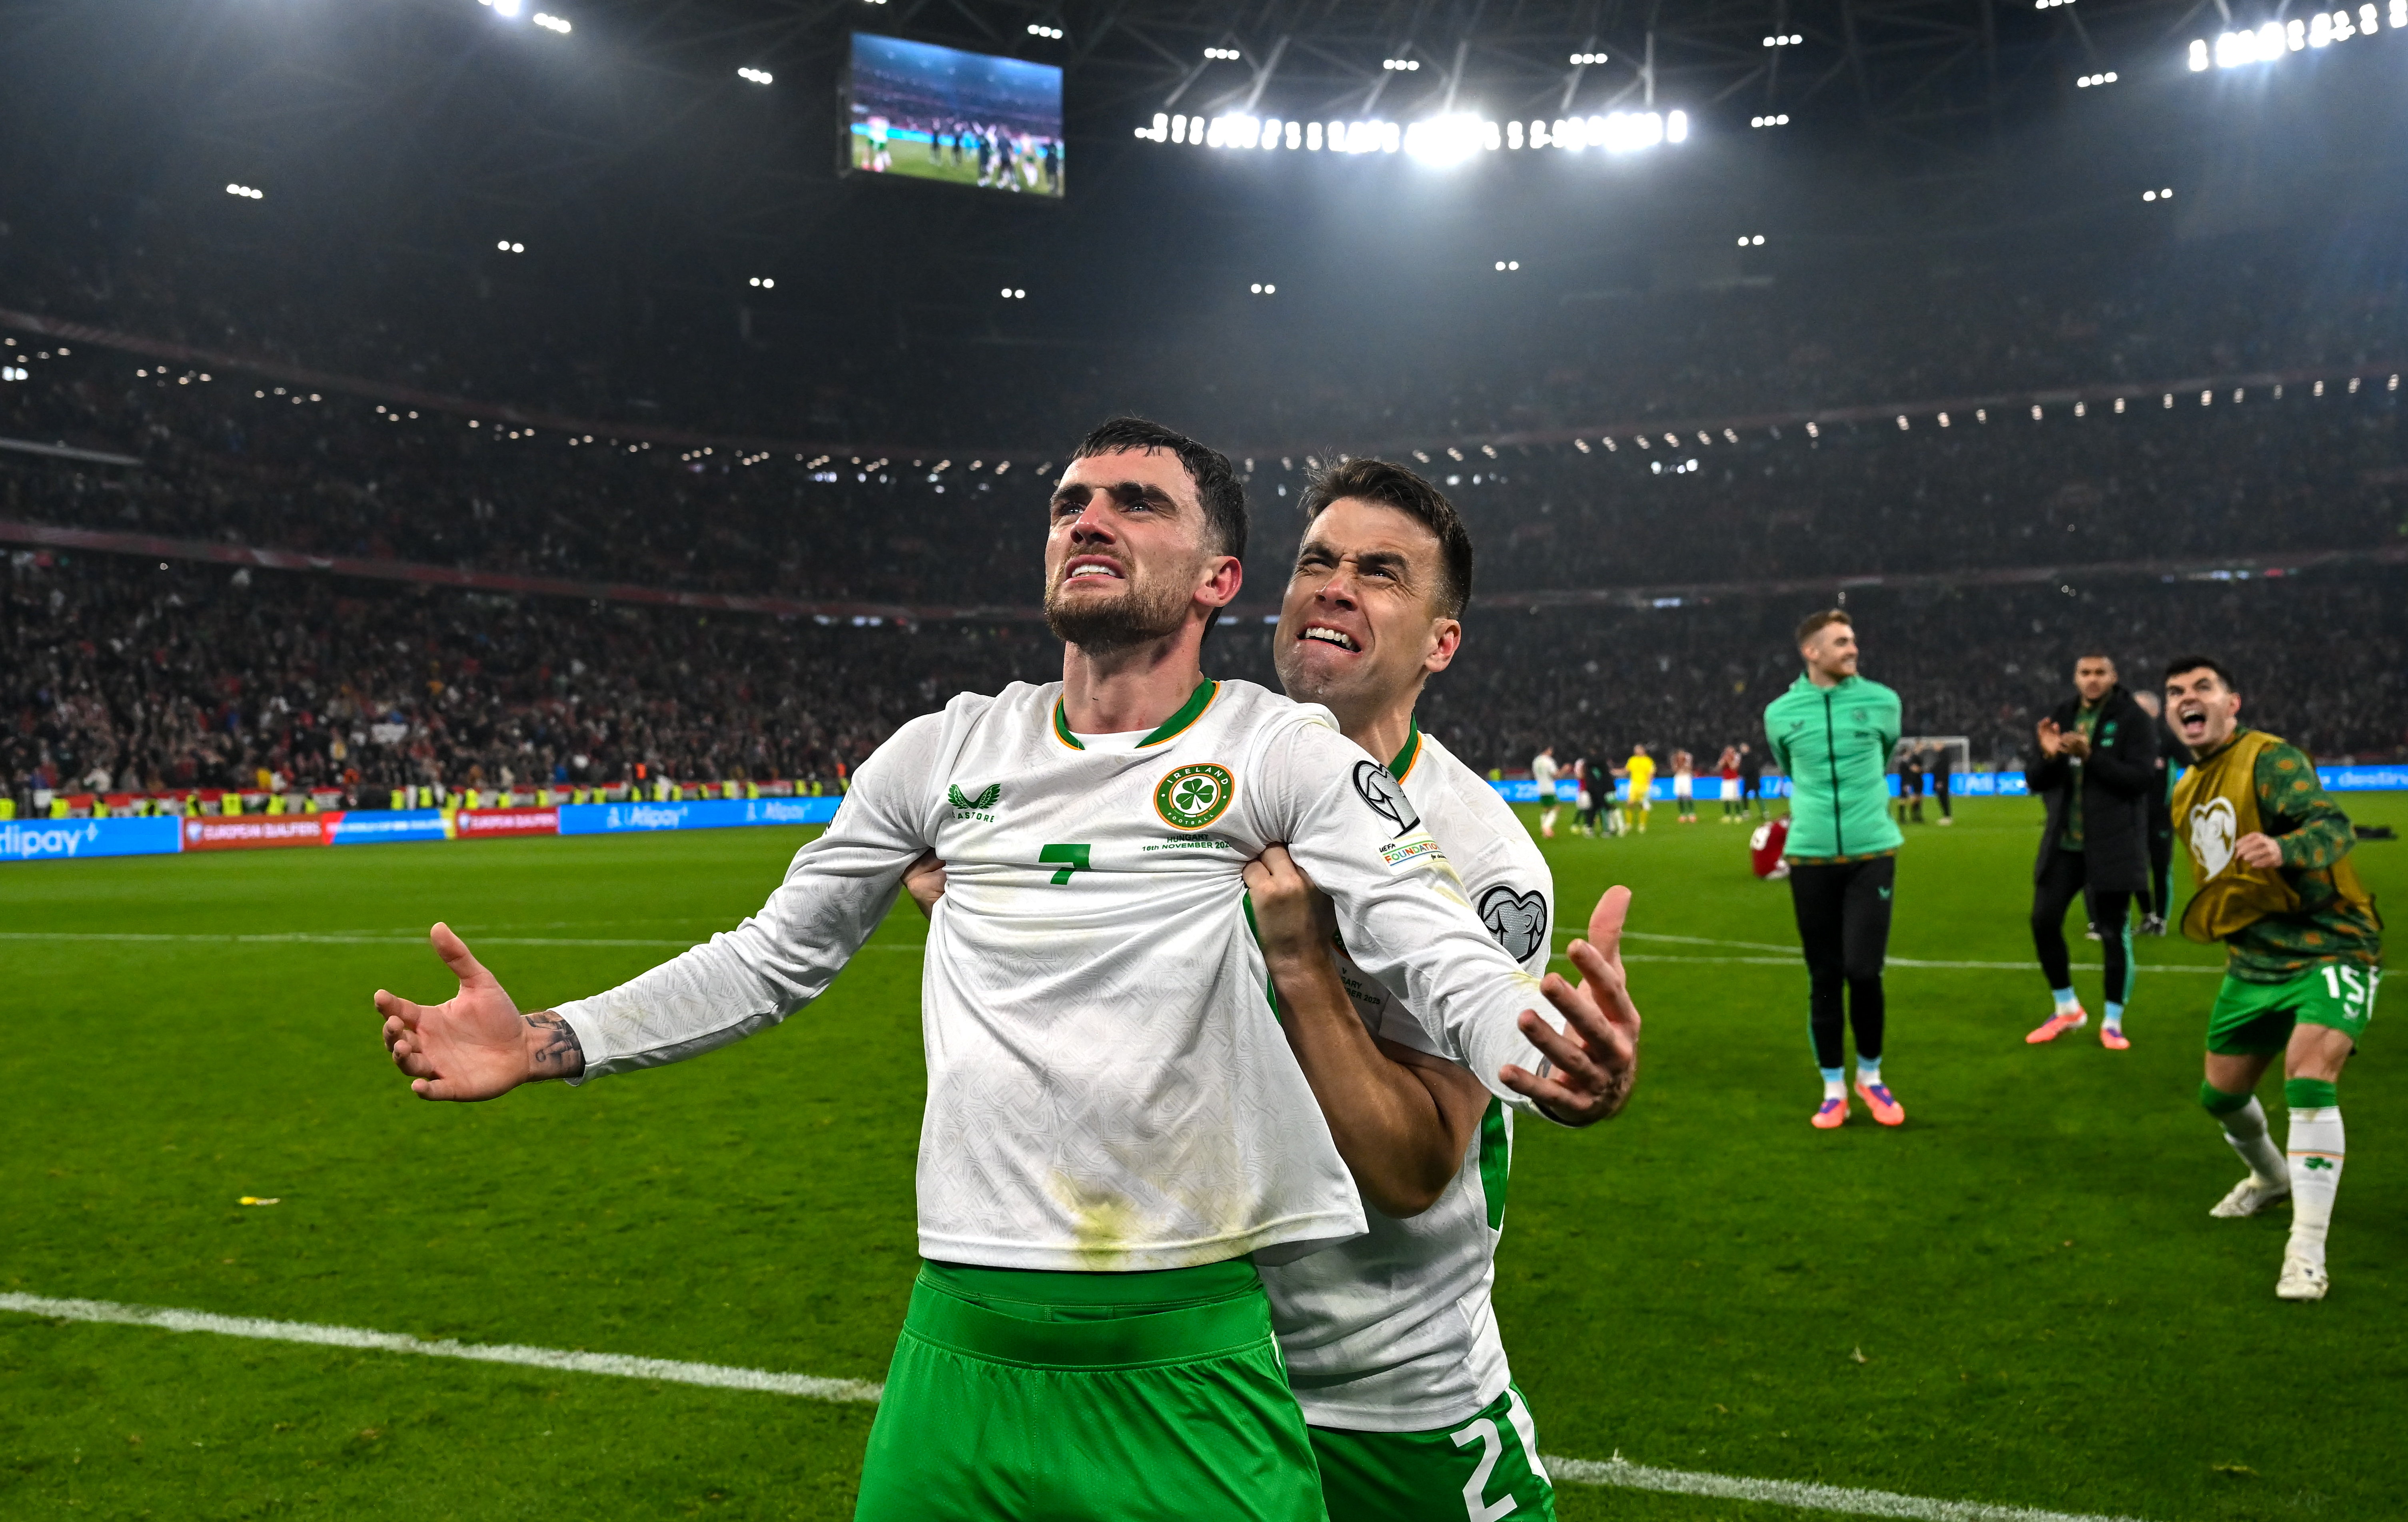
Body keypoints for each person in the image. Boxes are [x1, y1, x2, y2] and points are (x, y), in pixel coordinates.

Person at [374, 418, 1643, 1520]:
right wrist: (547, 1039)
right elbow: (771, 957)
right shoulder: (940, 754)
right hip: (956, 1353)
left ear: (1216, 577)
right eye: (1069, 504)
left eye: (1135, 500)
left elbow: (1436, 947)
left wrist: (1537, 1048)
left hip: (1197, 1354)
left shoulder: (1284, 757)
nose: (1089, 518)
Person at [1254, 457, 1595, 1522]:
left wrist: (1306, 967)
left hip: (1390, 1393)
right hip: (1204, 1375)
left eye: (1380, 571)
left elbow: (1412, 1167)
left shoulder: (1482, 857)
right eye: (1317, 559)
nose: (1335, 582)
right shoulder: (1186, 789)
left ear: (1439, 641)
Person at [2164, 656, 2381, 1302]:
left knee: (2308, 1077)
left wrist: (2283, 848)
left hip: (2330, 943)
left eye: (2201, 687)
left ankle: (2305, 1250)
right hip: (2254, 957)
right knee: (2220, 1097)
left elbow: (2332, 827)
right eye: (2174, 692)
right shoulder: (2183, 791)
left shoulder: (2268, 758)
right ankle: (2269, 1179)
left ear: (2233, 703)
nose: (2186, 699)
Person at [1763, 610, 1906, 1129]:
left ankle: (1870, 1076)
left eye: (1853, 639)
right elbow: (1788, 764)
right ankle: (1832, 1087)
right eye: (1841, 641)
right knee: (1823, 976)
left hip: (1873, 854)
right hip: (1809, 857)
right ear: (1811, 651)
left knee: (1864, 972)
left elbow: (1885, 752)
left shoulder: (1882, 701)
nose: (1853, 648)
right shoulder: (1780, 712)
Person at [2023, 653, 2157, 1050]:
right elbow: (2035, 780)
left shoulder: (2134, 719)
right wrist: (2049, 755)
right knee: (2043, 920)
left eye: (2100, 673)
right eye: (2085, 673)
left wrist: (2090, 757)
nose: (2092, 679)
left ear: (2114, 677)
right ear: (2075, 677)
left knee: (2113, 932)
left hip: (2112, 844)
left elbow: (2139, 780)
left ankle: (2112, 1021)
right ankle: (2066, 1008)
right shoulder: (2061, 714)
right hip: (2065, 843)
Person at [2131, 690, 2176, 934]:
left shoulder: (2167, 738)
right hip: (2132, 816)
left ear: (2155, 712)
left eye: (2141, 709)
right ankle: (2147, 915)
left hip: (2160, 817)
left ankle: (2161, 920)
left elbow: (2192, 764)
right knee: (2136, 870)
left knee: (2160, 868)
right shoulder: (2127, 739)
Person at [1621, 743, 1655, 834]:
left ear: (1643, 750)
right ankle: (1629, 824)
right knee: (1630, 804)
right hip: (1634, 785)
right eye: (1636, 750)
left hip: (1644, 786)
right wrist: (1615, 772)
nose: (1637, 751)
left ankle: (1642, 825)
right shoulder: (1632, 760)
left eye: (1639, 750)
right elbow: (1626, 771)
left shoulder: (1648, 761)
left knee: (1642, 806)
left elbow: (1651, 773)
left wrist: (1649, 785)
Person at [1531, 744, 1560, 839]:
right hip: (1549, 788)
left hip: (1541, 788)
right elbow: (1555, 776)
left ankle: (1545, 832)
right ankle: (1546, 827)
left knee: (1546, 809)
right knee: (1556, 808)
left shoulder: (1536, 761)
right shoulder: (1549, 761)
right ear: (1547, 750)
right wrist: (1564, 770)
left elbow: (1534, 775)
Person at [1894, 744, 1924, 826]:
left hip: (1905, 782)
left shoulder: (1905, 762)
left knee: (1905, 799)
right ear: (1906, 753)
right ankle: (1902, 818)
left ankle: (1903, 818)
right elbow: (1910, 772)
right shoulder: (1905, 762)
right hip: (1905, 783)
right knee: (1903, 799)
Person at [1927, 740, 1955, 826]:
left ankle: (1947, 817)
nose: (1934, 748)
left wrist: (1940, 781)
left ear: (1940, 746)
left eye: (1936, 746)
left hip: (1941, 781)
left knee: (1943, 798)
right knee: (1942, 798)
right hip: (1941, 780)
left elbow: (1941, 770)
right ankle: (1946, 816)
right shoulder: (1942, 756)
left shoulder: (1943, 756)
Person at [1738, 740, 1765, 820]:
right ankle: (1747, 812)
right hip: (1747, 779)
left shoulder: (1752, 757)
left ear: (1748, 748)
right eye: (1742, 748)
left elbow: (1751, 768)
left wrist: (1743, 773)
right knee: (1745, 795)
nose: (1742, 750)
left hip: (1753, 779)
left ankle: (1764, 812)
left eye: (1744, 748)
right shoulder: (1743, 758)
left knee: (1757, 795)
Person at [1716, 745, 1743, 822]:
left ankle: (1738, 815)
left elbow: (1734, 768)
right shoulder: (1724, 757)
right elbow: (1719, 767)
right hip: (1726, 780)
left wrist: (1729, 761)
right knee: (1726, 798)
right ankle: (1728, 815)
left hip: (1734, 780)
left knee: (1735, 798)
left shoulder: (1737, 757)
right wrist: (1724, 761)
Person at [1671, 749, 1697, 823]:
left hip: (1686, 777)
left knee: (1688, 795)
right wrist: (1678, 763)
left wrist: (1684, 763)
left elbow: (1689, 768)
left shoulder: (1688, 758)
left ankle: (1692, 814)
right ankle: (1682, 814)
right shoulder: (1675, 759)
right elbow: (1675, 769)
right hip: (1678, 777)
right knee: (1679, 796)